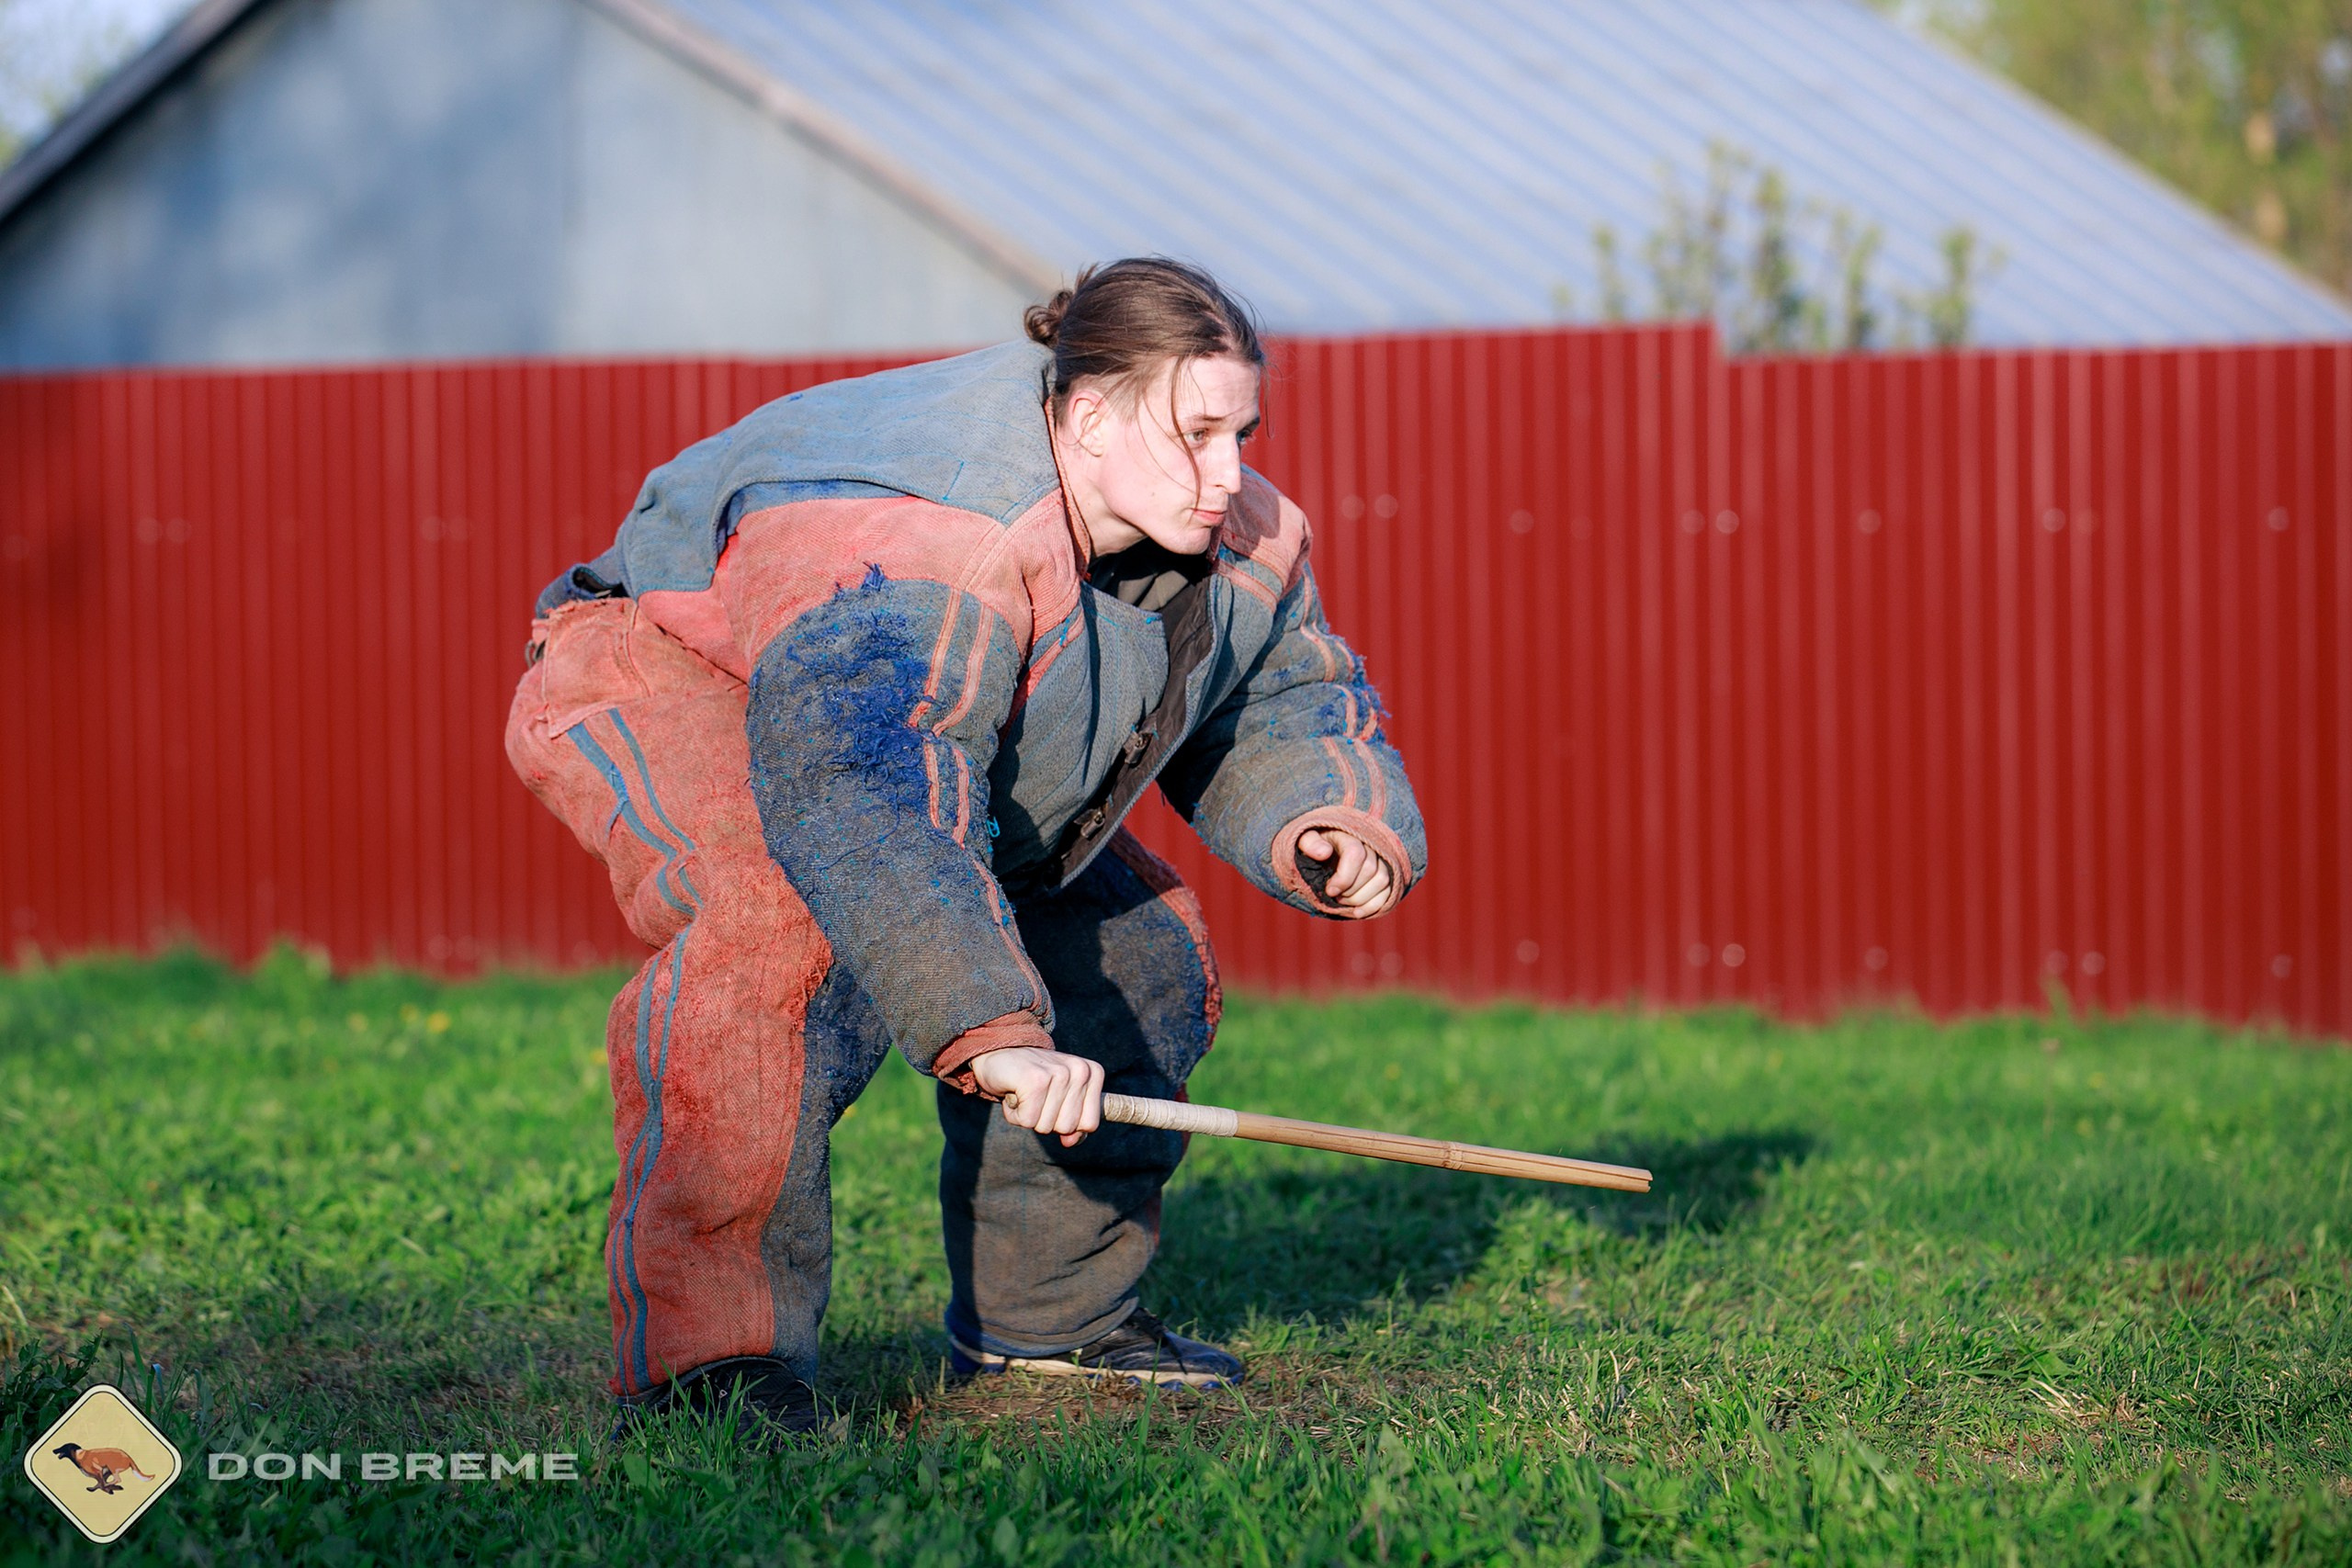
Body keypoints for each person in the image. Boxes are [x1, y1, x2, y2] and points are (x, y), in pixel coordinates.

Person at [505, 257, 1425, 1436]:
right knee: (781, 937)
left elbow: (1281, 695)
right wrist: (988, 1030)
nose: (1228, 474)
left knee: (1129, 954)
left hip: (934, 734)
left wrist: (1326, 816)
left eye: (1242, 430)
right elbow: (867, 786)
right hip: (673, 676)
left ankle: (1050, 1323)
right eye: (1196, 435)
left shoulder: (1239, 534)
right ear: (1088, 414)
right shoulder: (925, 530)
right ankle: (711, 1365)